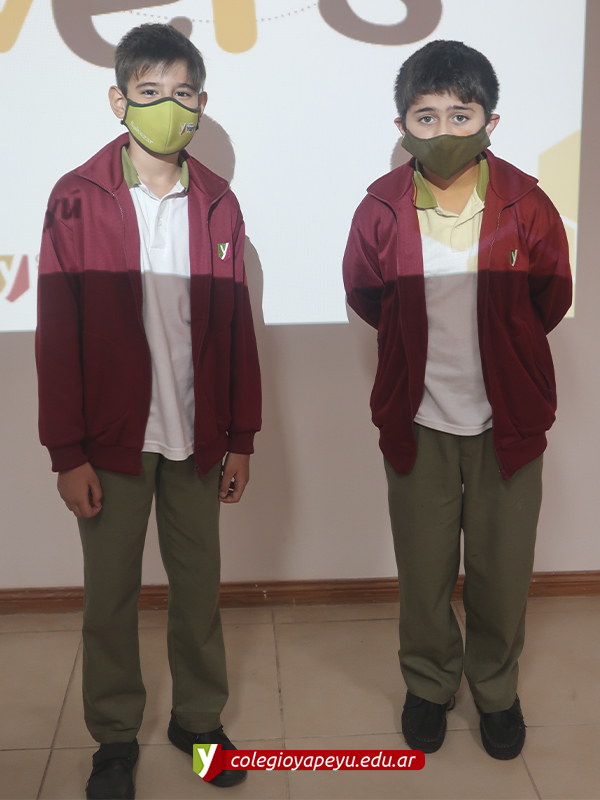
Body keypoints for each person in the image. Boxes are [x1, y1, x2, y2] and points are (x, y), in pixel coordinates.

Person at [36, 23, 261, 798]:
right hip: (111, 443)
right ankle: (114, 737)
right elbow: (56, 334)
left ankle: (199, 721)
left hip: (197, 438)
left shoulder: (219, 201)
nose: (169, 106)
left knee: (199, 591)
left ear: (202, 102)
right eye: (150, 91)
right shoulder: (76, 198)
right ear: (119, 100)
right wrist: (67, 452)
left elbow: (236, 328)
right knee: (110, 598)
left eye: (183, 93)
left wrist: (241, 436)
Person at [343, 40, 571, 760]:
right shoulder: (380, 208)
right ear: (403, 125)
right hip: (418, 422)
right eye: (427, 116)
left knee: (501, 575)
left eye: (460, 115)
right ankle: (429, 683)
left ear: (490, 122)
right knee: (425, 572)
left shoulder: (527, 204)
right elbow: (367, 295)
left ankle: (496, 691)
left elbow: (550, 296)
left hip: (509, 423)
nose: (444, 130)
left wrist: (507, 356)